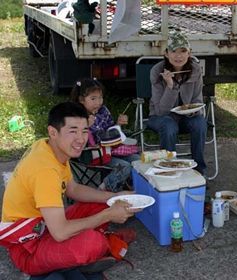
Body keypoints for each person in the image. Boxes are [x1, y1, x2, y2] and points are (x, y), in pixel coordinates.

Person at [0, 102, 140, 277]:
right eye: (72, 131)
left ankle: (78, 254)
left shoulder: (49, 147)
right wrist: (108, 215)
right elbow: (60, 232)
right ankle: (81, 255)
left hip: (46, 224)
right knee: (93, 243)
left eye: (84, 131)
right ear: (53, 132)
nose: (81, 139)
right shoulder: (45, 170)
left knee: (105, 203)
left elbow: (72, 189)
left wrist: (114, 196)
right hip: (28, 246)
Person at [147, 32, 207, 175]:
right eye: (174, 51)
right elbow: (161, 111)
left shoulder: (195, 70)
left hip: (186, 118)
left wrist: (193, 110)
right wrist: (170, 86)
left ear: (189, 53)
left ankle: (199, 170)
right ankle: (169, 169)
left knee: (200, 122)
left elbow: (197, 100)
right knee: (169, 124)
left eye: (183, 51)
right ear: (166, 53)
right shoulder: (157, 71)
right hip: (160, 118)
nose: (178, 56)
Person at [70, 78, 139, 192]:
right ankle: (104, 191)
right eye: (93, 98)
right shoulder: (76, 115)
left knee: (136, 160)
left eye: (100, 97)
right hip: (90, 154)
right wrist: (85, 127)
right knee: (124, 167)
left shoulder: (103, 111)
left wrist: (118, 124)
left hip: (110, 150)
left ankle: (129, 186)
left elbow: (110, 130)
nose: (98, 102)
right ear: (81, 99)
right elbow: (72, 141)